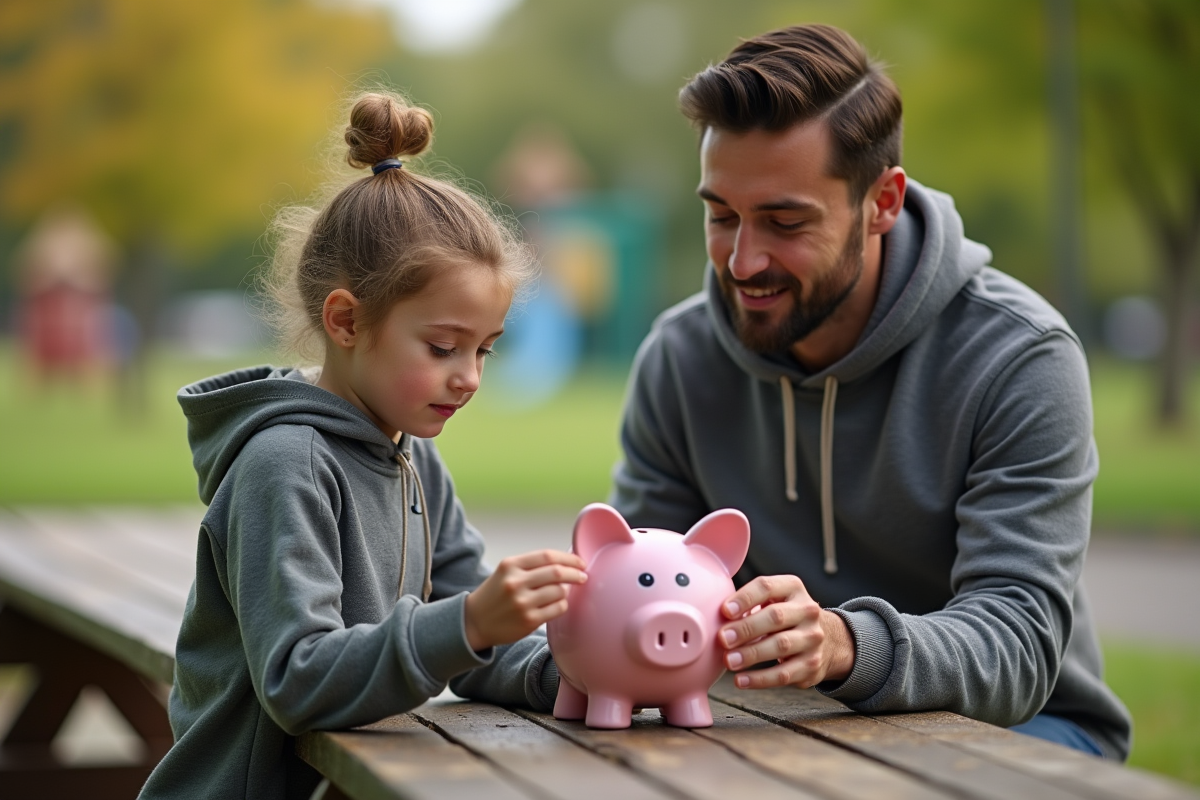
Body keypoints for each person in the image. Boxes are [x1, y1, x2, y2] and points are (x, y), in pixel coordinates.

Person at [609, 25, 1132, 760]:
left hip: (1025, 731)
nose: (743, 259)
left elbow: (1017, 649)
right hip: (771, 725)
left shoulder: (1020, 356)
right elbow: (635, 596)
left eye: (785, 221)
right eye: (720, 215)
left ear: (882, 202)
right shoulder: (679, 356)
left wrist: (843, 643)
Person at [138, 92, 587, 800]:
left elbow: (465, 634)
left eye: (486, 351)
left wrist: (566, 675)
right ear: (346, 321)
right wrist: (469, 622)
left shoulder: (410, 451)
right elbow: (299, 680)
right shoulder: (283, 466)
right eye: (443, 347)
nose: (468, 377)